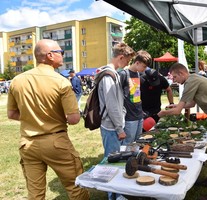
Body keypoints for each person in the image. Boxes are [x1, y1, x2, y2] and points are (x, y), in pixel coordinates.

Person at [7, 39, 89, 200]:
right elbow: (73, 119)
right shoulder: (60, 81)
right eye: (61, 52)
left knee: (35, 194)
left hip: (28, 145)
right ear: (50, 55)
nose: (63, 56)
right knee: (76, 186)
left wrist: (32, 118)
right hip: (56, 142)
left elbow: (11, 114)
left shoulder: (17, 80)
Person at [157, 63, 207, 200]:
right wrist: (177, 105)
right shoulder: (194, 79)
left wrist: (162, 113)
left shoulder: (190, 81)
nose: (174, 80)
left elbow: (176, 112)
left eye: (175, 77)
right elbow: (191, 104)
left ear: (182, 73)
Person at [97, 42, 135, 200]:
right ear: (121, 57)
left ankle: (117, 192)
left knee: (117, 160)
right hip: (111, 127)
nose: (127, 65)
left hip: (114, 125)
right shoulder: (109, 76)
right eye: (127, 61)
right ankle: (114, 195)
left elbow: (117, 103)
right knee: (113, 161)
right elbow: (112, 106)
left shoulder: (113, 74)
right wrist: (120, 129)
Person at [118, 50, 152, 144]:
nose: (145, 69)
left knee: (137, 143)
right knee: (128, 144)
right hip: (129, 118)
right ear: (137, 62)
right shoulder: (123, 74)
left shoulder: (138, 74)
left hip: (138, 116)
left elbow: (135, 95)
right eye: (144, 66)